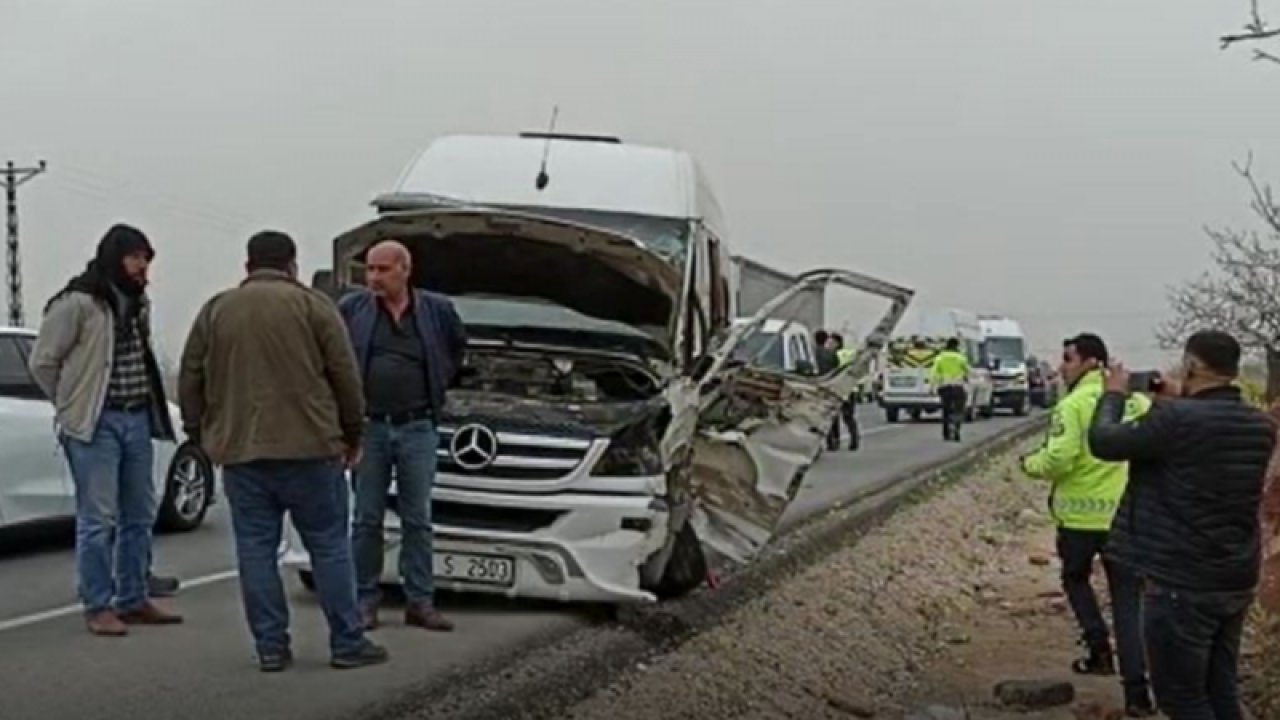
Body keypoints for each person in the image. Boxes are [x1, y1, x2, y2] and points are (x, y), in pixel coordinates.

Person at [178, 231, 387, 672]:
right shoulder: (314, 307)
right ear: (291, 265)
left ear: (248, 265)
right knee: (329, 546)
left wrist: (200, 434)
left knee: (256, 550)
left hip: (242, 453)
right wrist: (353, 433)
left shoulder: (216, 310)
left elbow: (190, 374)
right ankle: (347, 643)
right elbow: (345, 376)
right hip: (311, 448)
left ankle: (271, 647)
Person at [1090, 330, 1274, 720]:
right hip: (1234, 575)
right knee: (1219, 689)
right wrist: (1177, 403)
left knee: (1181, 698)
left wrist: (1114, 395)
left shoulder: (1177, 420)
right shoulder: (1259, 425)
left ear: (1191, 365)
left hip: (1180, 580)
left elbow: (1104, 442)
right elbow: (1195, 444)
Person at [27, 224, 183, 636]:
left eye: (146, 259)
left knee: (140, 512)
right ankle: (98, 604)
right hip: (96, 422)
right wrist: (69, 403)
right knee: (98, 518)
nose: (142, 267)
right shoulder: (79, 303)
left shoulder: (138, 303)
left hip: (136, 417)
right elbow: (43, 362)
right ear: (116, 256)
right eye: (136, 258)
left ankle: (133, 596)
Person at [1020, 333, 1154, 716]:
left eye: (1067, 358)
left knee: (1075, 579)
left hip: (1080, 520)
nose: (1061, 367)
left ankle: (1098, 650)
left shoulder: (1074, 405)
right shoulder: (1137, 402)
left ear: (1091, 363)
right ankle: (1137, 693)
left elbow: (1058, 459)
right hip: (1126, 518)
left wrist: (1029, 465)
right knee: (1129, 601)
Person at [338, 240, 466, 633]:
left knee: (418, 518)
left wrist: (436, 390)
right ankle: (364, 601)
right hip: (371, 427)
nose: (373, 278)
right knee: (366, 519)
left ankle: (420, 602)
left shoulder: (437, 311)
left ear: (404, 270)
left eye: (382, 270)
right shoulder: (353, 310)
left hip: (417, 427)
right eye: (369, 270)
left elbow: (455, 352)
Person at [928, 338, 969, 442]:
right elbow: (967, 371)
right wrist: (967, 380)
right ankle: (956, 428)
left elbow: (934, 374)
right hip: (958, 387)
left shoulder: (940, 358)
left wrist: (931, 387)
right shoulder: (960, 358)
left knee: (945, 410)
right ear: (956, 346)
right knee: (959, 409)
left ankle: (946, 432)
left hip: (945, 388)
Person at [814, 330, 841, 451]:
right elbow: (837, 370)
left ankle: (818, 441)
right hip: (830, 386)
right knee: (831, 414)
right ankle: (834, 439)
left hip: (814, 386)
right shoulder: (831, 354)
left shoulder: (811, 353)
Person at [833, 334, 860, 451]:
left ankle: (835, 441)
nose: (828, 345)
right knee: (848, 417)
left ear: (837, 343)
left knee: (836, 417)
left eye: (831, 342)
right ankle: (854, 440)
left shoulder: (836, 355)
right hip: (850, 389)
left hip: (840, 389)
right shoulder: (850, 354)